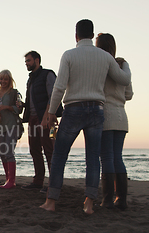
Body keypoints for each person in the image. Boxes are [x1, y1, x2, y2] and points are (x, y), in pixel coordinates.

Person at [40, 19, 131, 214]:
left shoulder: (69, 55)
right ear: (92, 34)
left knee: (59, 157)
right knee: (92, 159)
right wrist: (125, 65)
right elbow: (124, 79)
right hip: (97, 111)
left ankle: (51, 202)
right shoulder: (105, 57)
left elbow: (60, 86)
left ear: (76, 36)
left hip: (73, 109)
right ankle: (89, 204)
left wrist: (51, 112)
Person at [96, 33, 133, 210]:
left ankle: (108, 199)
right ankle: (122, 199)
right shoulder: (122, 65)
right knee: (118, 156)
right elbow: (129, 94)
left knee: (107, 157)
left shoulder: (102, 65)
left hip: (106, 114)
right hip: (122, 115)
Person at [20, 51, 63, 193]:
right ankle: (38, 181)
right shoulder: (30, 79)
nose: (26, 63)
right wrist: (22, 106)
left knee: (50, 150)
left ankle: (54, 183)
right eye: (25, 61)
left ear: (37, 60)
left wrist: (47, 117)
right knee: (34, 150)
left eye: (29, 61)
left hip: (48, 119)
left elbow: (53, 96)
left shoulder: (48, 74)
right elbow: (33, 100)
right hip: (33, 119)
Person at [0, 70, 23, 189]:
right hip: (0, 127)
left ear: (10, 80)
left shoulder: (14, 93)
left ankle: (12, 181)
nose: (3, 81)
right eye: (1, 79)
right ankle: (8, 179)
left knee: (8, 152)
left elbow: (19, 109)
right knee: (2, 153)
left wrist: (7, 107)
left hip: (12, 126)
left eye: (5, 79)